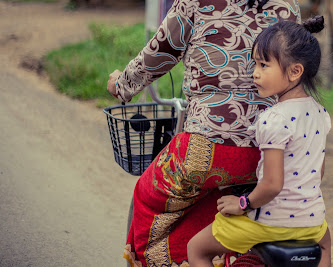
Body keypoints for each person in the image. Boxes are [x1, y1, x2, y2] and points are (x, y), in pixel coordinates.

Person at [107, 0, 301, 266]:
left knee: (146, 195)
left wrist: (121, 85)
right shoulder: (287, 5)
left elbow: (160, 52)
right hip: (270, 151)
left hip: (207, 148)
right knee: (240, 209)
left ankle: (157, 259)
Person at [187, 16, 332, 267]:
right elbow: (318, 172)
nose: (255, 73)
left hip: (270, 222)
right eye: (255, 64)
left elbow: (273, 185)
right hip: (311, 222)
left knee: (196, 249)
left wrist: (242, 203)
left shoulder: (273, 119)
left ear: (295, 71)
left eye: (264, 65)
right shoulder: (321, 114)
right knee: (325, 246)